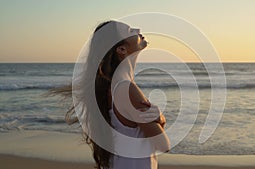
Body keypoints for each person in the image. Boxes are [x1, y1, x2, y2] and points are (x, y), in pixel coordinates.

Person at [49, 20, 170, 169]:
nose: (138, 29)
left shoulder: (113, 87)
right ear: (121, 49)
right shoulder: (127, 89)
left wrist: (158, 120)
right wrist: (161, 119)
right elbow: (163, 144)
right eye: (131, 30)